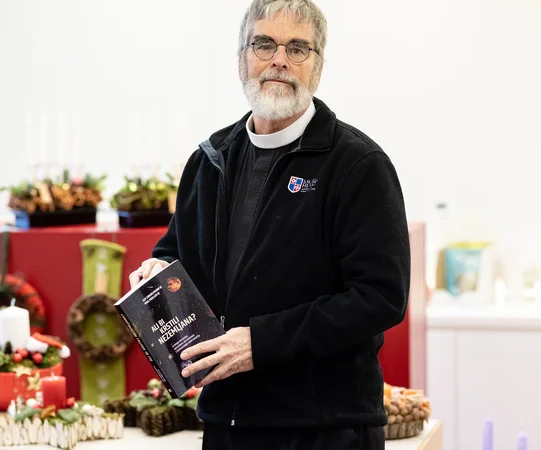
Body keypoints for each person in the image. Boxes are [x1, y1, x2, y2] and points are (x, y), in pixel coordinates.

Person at [128, 0, 410, 449]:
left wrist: (260, 343)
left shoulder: (358, 165)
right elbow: (176, 251)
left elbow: (380, 298)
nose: (279, 59)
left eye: (298, 48)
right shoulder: (208, 160)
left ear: (317, 68)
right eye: (264, 44)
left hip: (326, 429)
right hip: (226, 423)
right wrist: (156, 272)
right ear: (242, 58)